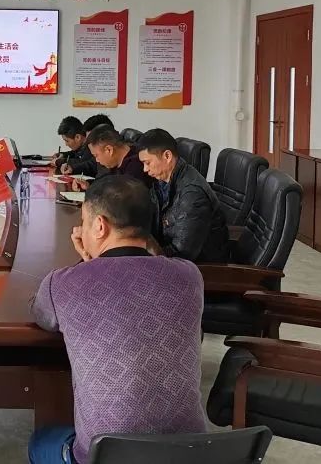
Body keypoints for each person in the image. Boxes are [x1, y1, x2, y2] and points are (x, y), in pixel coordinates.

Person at [29, 176, 207, 463]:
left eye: (84, 222)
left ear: (100, 226)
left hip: (105, 456)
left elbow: (42, 316)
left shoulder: (62, 284)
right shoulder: (190, 276)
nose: (81, 229)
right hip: (190, 454)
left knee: (41, 441)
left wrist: (88, 264)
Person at [136, 129, 228, 263]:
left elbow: (181, 254)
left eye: (147, 163)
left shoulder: (192, 195)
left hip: (202, 268)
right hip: (170, 254)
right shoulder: (163, 180)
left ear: (167, 156)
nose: (145, 169)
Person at [73, 125, 152, 191]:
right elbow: (107, 183)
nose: (97, 160)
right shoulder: (117, 163)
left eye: (96, 155)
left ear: (109, 150)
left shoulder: (136, 167)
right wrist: (88, 184)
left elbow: (118, 195)